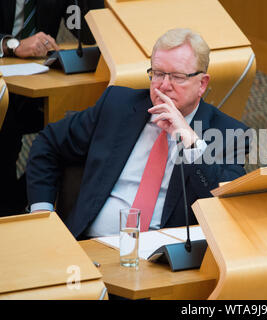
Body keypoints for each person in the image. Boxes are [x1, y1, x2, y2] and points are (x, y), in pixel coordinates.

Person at [26, 28, 249, 240]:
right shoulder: (117, 105)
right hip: (91, 245)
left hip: (164, 262)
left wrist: (190, 143)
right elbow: (49, 143)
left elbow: (225, 207)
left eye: (178, 77)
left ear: (202, 84)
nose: (164, 85)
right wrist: (42, 214)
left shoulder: (229, 133)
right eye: (158, 74)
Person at [0, 0, 104, 216]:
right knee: (7, 134)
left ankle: (24, 201)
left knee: (70, 127)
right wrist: (12, 45)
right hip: (3, 86)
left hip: (36, 83)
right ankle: (9, 208)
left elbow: (88, 34)